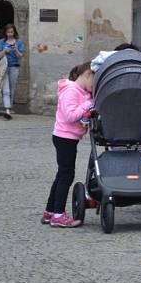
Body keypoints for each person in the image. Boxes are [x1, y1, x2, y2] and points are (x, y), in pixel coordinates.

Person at [42, 63, 95, 228]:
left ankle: (50, 212)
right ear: (87, 75)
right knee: (66, 175)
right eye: (94, 80)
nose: (93, 86)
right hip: (64, 137)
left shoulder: (80, 91)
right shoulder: (71, 90)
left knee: (61, 174)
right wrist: (89, 104)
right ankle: (58, 214)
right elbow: (70, 115)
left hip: (68, 138)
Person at [0, 23, 25, 120]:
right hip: (4, 67)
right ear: (5, 33)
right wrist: (5, 51)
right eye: (8, 32)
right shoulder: (1, 41)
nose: (10, 34)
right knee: (6, 90)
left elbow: (20, 57)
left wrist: (15, 49)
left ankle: (9, 107)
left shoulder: (19, 42)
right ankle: (7, 110)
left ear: (14, 32)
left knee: (12, 89)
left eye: (11, 32)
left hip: (14, 67)